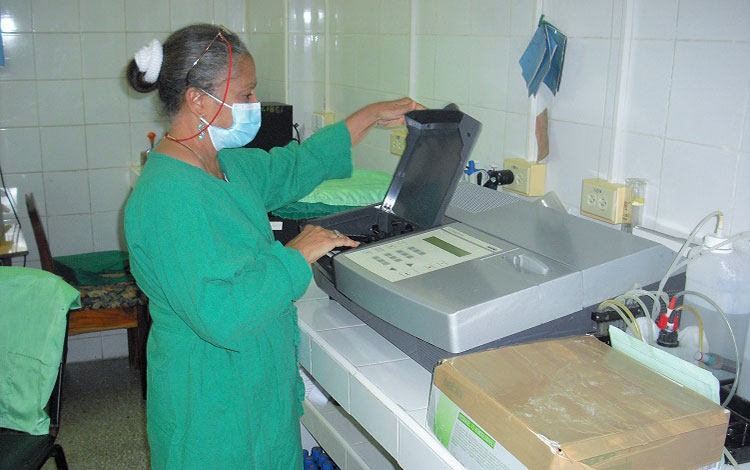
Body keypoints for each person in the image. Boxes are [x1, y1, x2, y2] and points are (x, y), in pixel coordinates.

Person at [124, 23, 419, 470]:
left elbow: (296, 165)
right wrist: (296, 255)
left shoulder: (223, 167)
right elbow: (221, 313)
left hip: (256, 391)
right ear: (198, 100)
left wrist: (367, 117)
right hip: (211, 405)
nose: (254, 107)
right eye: (245, 95)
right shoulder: (168, 197)